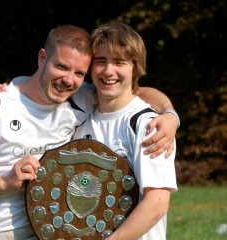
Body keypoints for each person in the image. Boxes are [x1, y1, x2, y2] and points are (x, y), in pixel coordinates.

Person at [0, 24, 178, 240]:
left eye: (79, 73)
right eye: (61, 66)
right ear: (42, 58)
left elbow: (130, 93)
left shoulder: (97, 109)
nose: (69, 80)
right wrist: (3, 182)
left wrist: (169, 114)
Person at [73, 22, 177, 239]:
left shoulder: (149, 125)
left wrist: (170, 114)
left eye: (119, 62)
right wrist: (9, 91)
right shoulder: (77, 111)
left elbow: (156, 203)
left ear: (136, 67)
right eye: (100, 61)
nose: (108, 71)